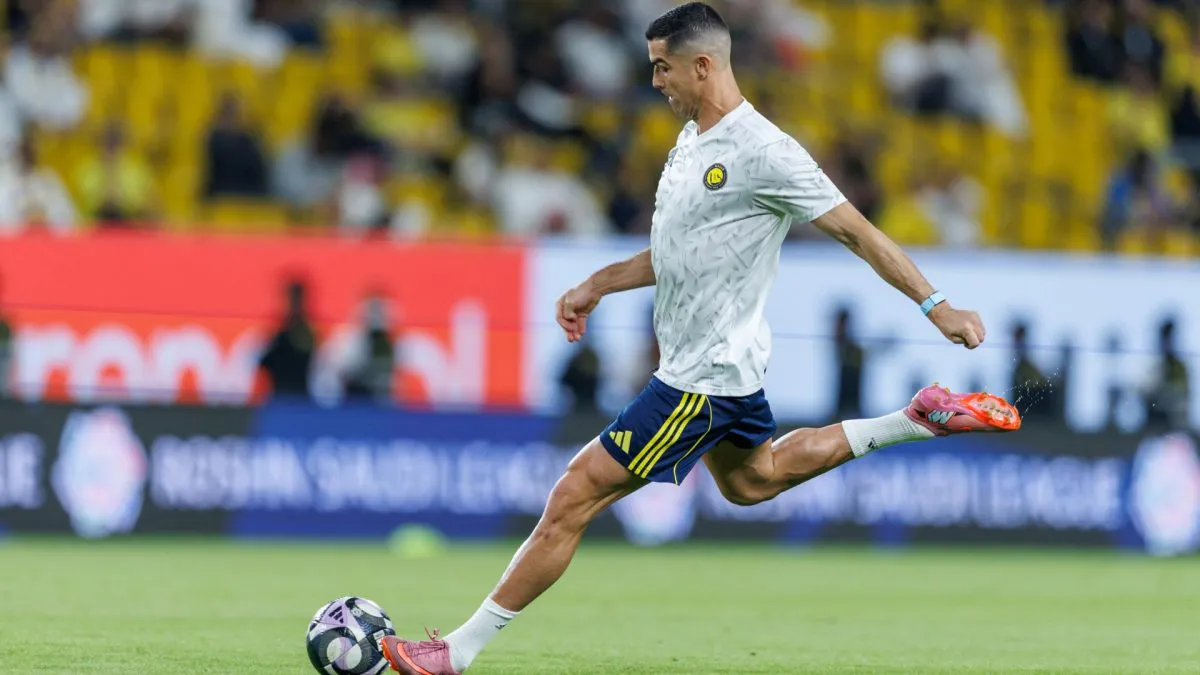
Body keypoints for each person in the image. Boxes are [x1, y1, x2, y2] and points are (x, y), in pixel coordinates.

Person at [379, 4, 1021, 673]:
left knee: (573, 495)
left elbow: (859, 232)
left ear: (703, 65)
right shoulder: (690, 142)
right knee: (753, 481)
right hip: (722, 372)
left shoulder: (765, 151)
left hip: (699, 380)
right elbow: (677, 252)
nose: (655, 80)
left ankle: (455, 652)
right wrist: (599, 283)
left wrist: (937, 306)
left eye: (663, 67)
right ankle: (914, 419)